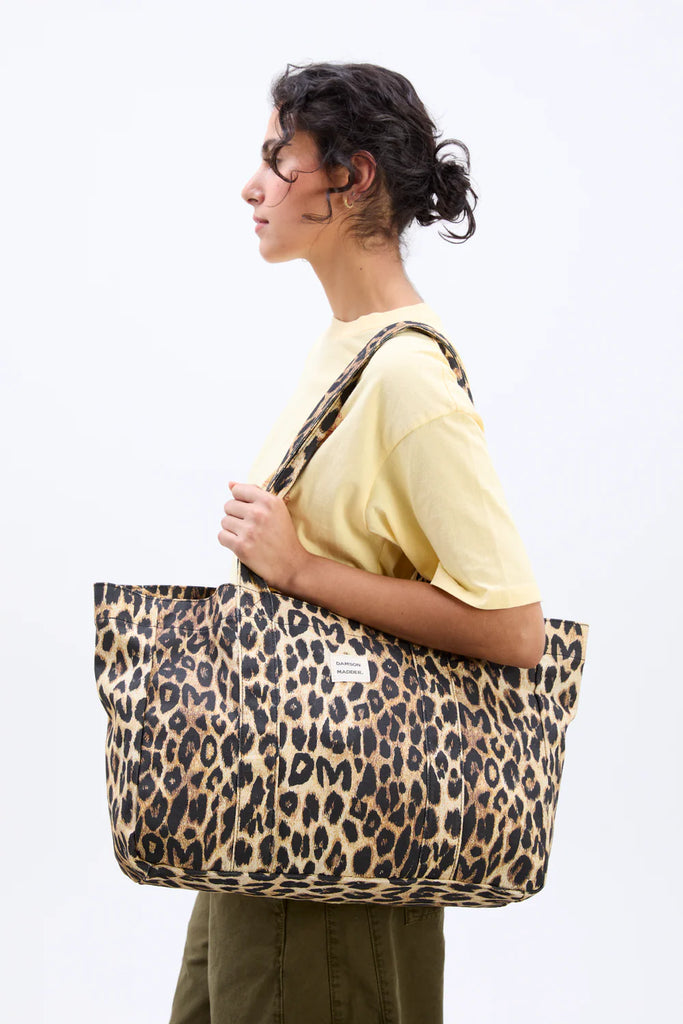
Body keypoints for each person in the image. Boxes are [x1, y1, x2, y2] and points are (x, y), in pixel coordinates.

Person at [168, 61, 545, 1024]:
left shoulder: (406, 378)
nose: (251, 187)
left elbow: (512, 628)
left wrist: (298, 568)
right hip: (267, 807)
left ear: (351, 177)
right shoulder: (346, 346)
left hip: (333, 836)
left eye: (276, 159)